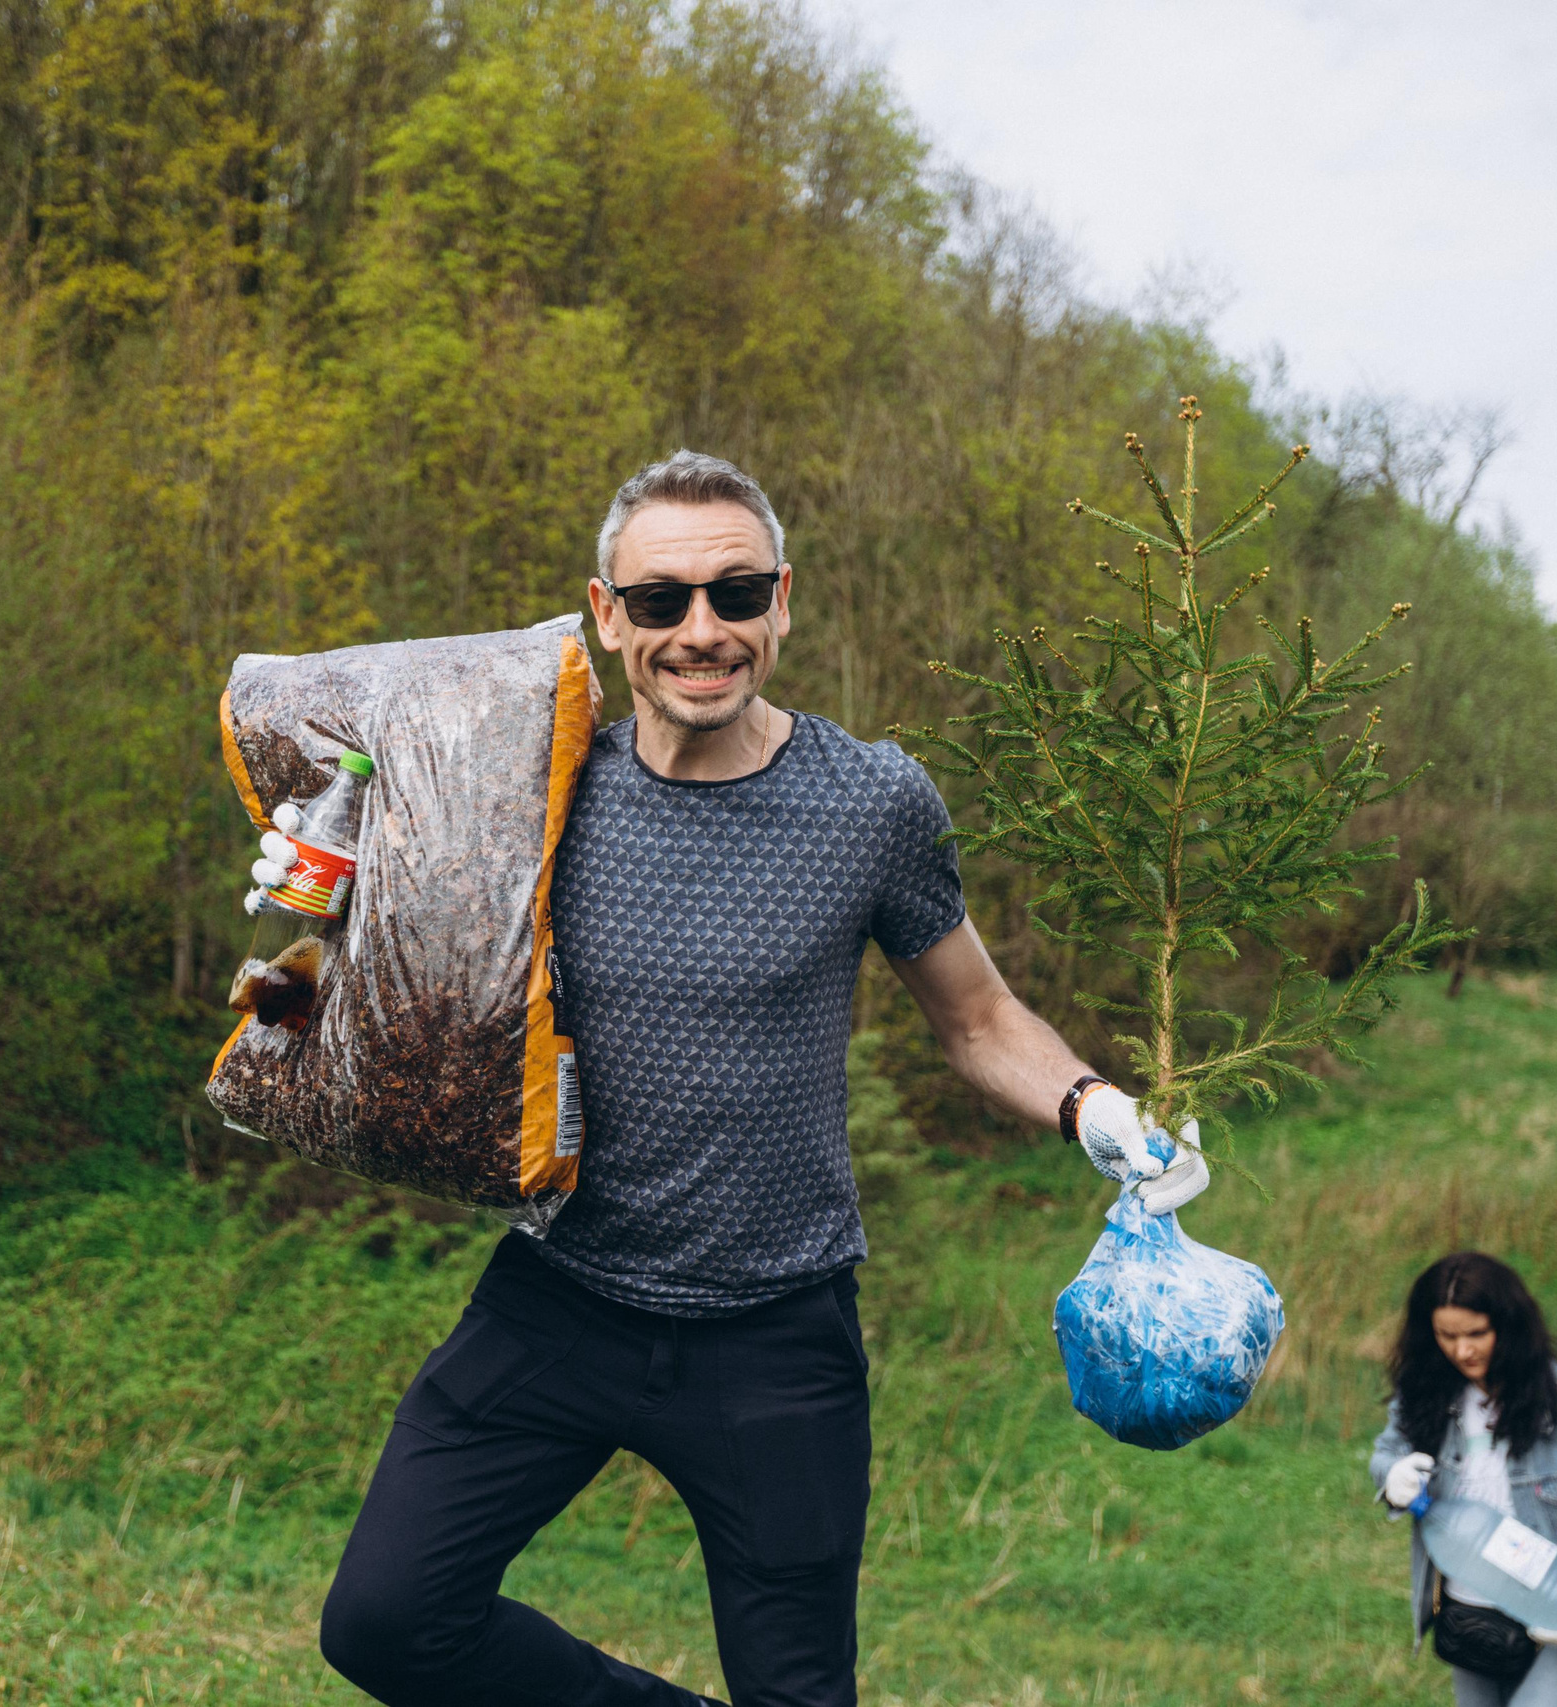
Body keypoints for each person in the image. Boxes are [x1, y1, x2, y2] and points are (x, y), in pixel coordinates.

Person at [284, 450, 1206, 1707]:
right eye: (660, 601)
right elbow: (408, 972)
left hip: (778, 1337)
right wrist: (321, 889)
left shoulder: (873, 800)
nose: (699, 631)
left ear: (783, 600)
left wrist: (1094, 1107)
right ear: (607, 617)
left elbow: (978, 1014)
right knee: (385, 1622)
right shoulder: (538, 795)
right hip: (559, 1301)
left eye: (734, 593)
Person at [1371, 1253, 1557, 1707]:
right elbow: (1389, 1452)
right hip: (1474, 1616)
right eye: (1447, 1336)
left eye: (1477, 1334)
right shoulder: (1425, 1393)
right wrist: (1392, 1475)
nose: (1462, 1351)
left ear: (1511, 1325)